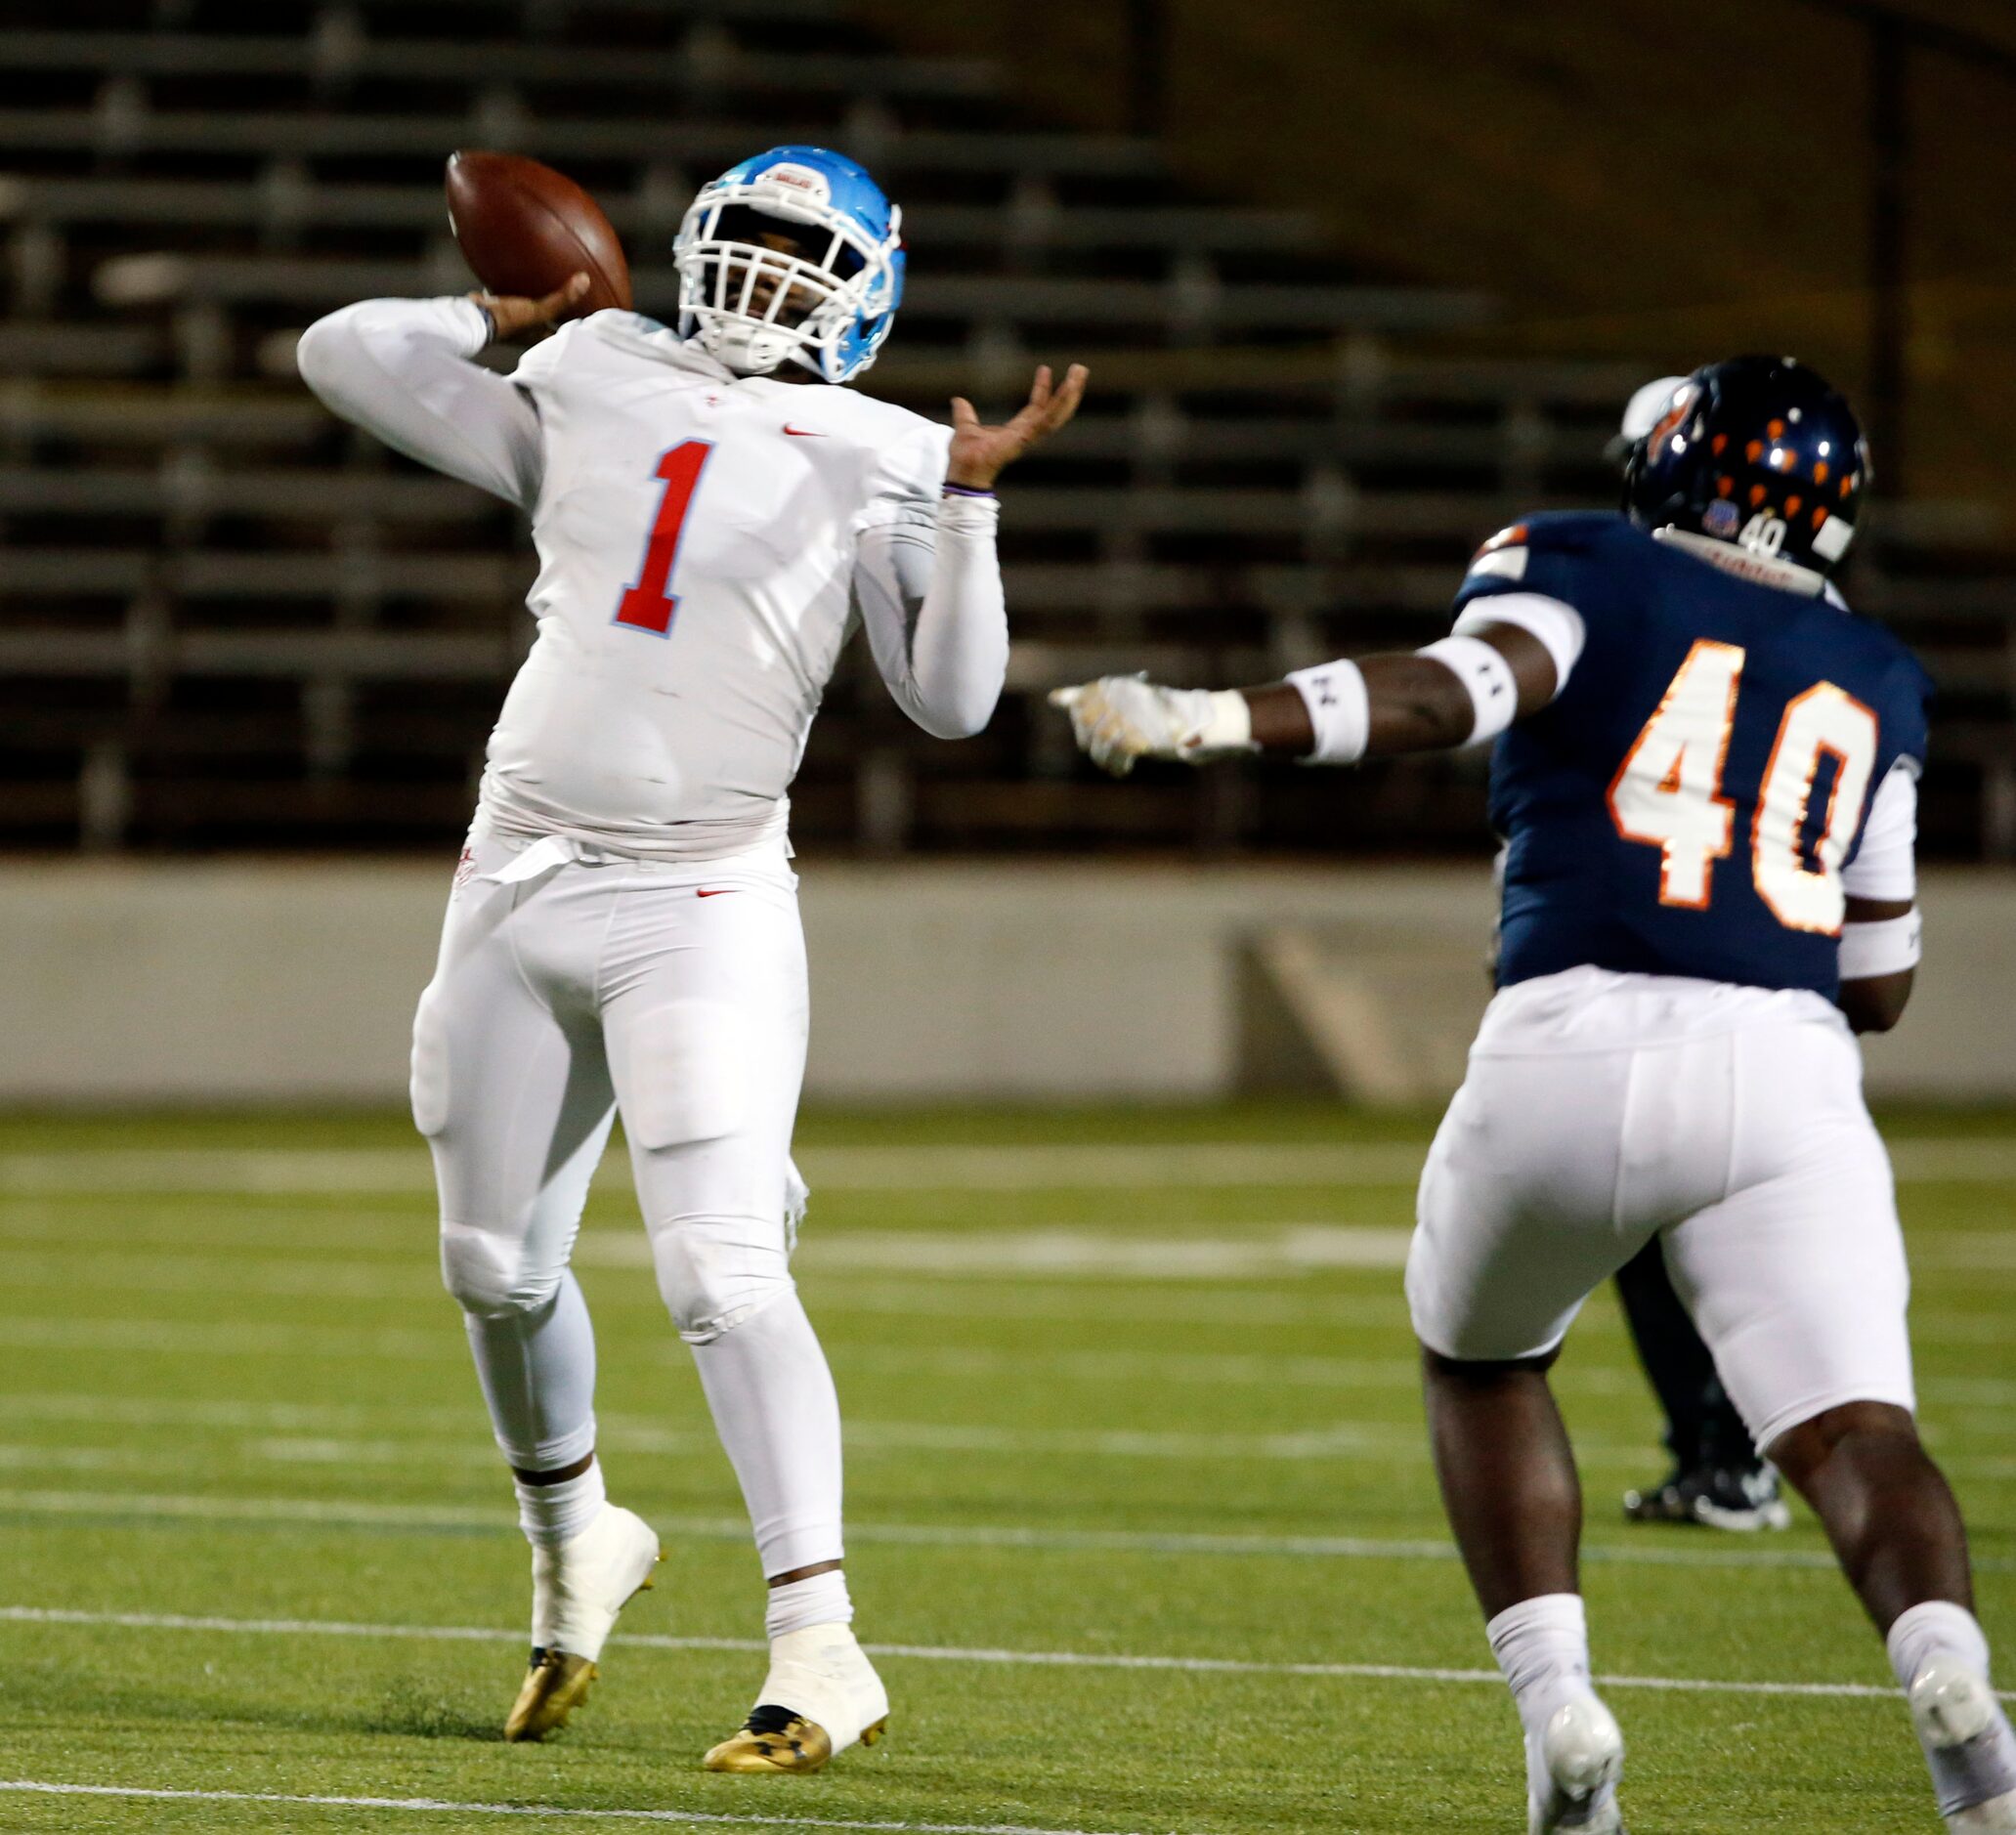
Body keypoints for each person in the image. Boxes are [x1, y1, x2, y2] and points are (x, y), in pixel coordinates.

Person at [1051, 357, 2016, 1833]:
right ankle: (1952, 1686)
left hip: (1565, 1040)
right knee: (1850, 1427)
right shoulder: (1877, 672)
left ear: (1675, 468)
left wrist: (1215, 718)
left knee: (1482, 1359)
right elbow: (1875, 981)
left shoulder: (1577, 558)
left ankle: (1557, 1709)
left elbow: (1451, 693)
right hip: (1782, 1065)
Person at [297, 144, 1085, 1771]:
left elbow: (949, 699)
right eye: (751, 243)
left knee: (719, 1270)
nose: (769, 280)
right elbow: (340, 356)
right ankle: (577, 1530)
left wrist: (974, 499)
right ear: (688, 248)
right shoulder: (592, 363)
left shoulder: (881, 446)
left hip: (699, 898)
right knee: (492, 1266)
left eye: (808, 258)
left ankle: (820, 1645)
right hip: (513, 874)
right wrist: (494, 305)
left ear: (862, 297)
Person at [1609, 376, 1791, 1533]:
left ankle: (1742, 1452)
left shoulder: (1632, 610)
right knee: (1647, 1230)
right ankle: (1723, 1454)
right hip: (1725, 965)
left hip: (1696, 965)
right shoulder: (1791, 625)